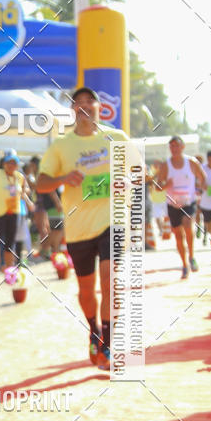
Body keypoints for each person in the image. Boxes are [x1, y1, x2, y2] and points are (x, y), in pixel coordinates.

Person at [36, 87, 129, 371]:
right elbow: (41, 183)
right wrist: (64, 177)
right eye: (79, 103)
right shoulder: (61, 147)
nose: (85, 106)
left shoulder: (117, 138)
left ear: (101, 108)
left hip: (112, 220)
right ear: (73, 110)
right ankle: (94, 330)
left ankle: (109, 343)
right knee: (87, 290)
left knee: (110, 279)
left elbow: (137, 174)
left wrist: (126, 181)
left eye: (91, 101)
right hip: (78, 228)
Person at [156, 136, 206, 278]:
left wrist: (200, 190)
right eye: (171, 146)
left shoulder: (191, 163)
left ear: (182, 147)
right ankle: (184, 264)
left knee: (188, 227)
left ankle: (191, 256)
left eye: (177, 146)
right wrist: (167, 185)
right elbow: (158, 187)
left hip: (188, 202)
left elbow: (203, 177)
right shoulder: (166, 166)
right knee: (178, 235)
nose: (174, 149)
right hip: (172, 204)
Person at [0, 150, 27, 283]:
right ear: (4, 163)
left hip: (14, 214)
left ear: (17, 165)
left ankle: (10, 275)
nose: (11, 165)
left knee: (10, 245)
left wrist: (23, 195)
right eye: (9, 162)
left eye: (14, 163)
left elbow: (24, 189)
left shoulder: (19, 177)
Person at [199, 149, 211, 263]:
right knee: (209, 228)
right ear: (208, 159)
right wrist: (203, 186)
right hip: (206, 204)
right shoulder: (203, 169)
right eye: (210, 159)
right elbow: (199, 183)